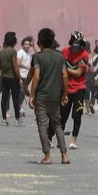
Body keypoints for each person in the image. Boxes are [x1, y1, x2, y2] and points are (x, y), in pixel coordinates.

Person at [28, 28, 69, 164]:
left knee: (42, 125)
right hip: (55, 97)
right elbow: (64, 75)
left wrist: (31, 95)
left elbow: (36, 76)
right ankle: (64, 155)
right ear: (52, 41)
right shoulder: (60, 57)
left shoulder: (38, 57)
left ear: (39, 42)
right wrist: (64, 94)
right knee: (57, 125)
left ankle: (47, 156)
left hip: (41, 97)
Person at [61, 31, 89, 149]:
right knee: (63, 114)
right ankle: (59, 138)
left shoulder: (84, 55)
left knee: (77, 115)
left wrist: (64, 70)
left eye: (78, 43)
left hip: (79, 88)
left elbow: (78, 73)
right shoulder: (64, 52)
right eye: (74, 42)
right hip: (66, 88)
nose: (75, 45)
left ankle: (73, 140)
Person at [0, 32, 22, 126]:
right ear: (14, 41)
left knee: (4, 99)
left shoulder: (0, 52)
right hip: (13, 79)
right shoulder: (13, 51)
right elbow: (15, 66)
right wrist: (19, 78)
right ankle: (17, 120)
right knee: (15, 99)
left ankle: (4, 120)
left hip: (4, 78)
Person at [16, 36, 34, 115]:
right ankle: (19, 108)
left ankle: (19, 107)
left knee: (23, 92)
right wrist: (26, 67)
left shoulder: (29, 53)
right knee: (21, 92)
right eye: (25, 44)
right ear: (22, 45)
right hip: (20, 75)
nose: (27, 46)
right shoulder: (20, 52)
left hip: (26, 76)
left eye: (28, 44)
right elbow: (18, 63)